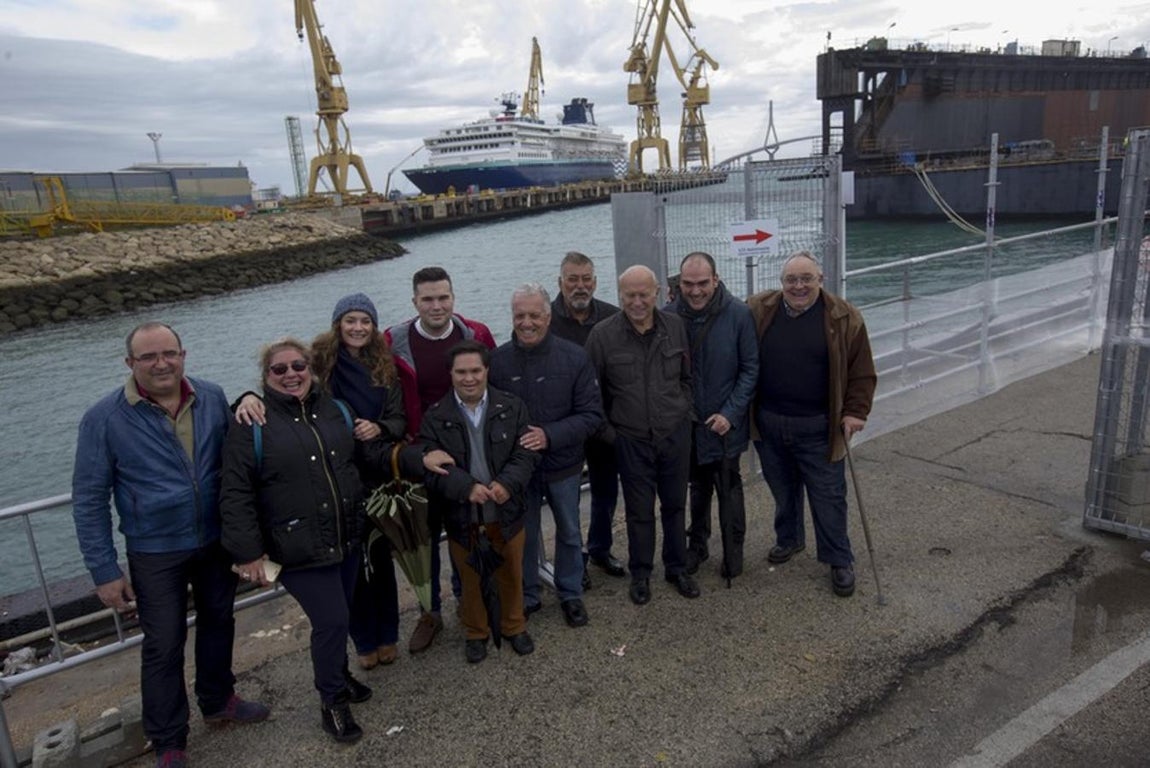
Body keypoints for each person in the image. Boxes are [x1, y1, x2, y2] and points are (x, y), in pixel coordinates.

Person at [72, 322, 269, 768]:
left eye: (169, 353)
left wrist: (247, 397)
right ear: (130, 363)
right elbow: (89, 499)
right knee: (163, 643)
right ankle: (168, 739)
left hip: (214, 538)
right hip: (155, 549)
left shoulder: (211, 396)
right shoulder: (104, 418)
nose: (161, 364)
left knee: (220, 621)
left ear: (183, 355)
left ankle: (218, 701)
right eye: (148, 357)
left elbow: (237, 459)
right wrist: (104, 570)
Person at [219, 338, 431, 744]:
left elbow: (365, 458)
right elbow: (236, 491)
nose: (291, 374)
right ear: (265, 377)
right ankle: (332, 701)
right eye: (279, 369)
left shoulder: (336, 410)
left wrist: (418, 459)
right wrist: (247, 552)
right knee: (331, 621)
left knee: (342, 615)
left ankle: (340, 673)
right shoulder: (252, 423)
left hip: (346, 536)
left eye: (298, 366)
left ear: (311, 370)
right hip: (296, 547)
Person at [234, 293, 407, 671]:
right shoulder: (318, 361)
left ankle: (388, 634)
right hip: (327, 477)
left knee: (379, 562)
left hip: (373, 475)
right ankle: (363, 641)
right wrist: (245, 397)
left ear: (374, 326)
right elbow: (281, 391)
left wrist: (379, 427)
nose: (358, 328)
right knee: (350, 573)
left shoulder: (385, 366)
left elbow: (399, 419)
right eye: (350, 320)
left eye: (365, 321)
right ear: (337, 324)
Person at [747, 251, 877, 597]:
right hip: (769, 423)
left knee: (828, 496)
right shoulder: (759, 309)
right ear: (781, 283)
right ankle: (789, 539)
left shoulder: (844, 316)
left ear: (821, 279)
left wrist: (856, 411)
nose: (799, 286)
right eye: (791, 279)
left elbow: (862, 371)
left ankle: (839, 558)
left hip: (820, 426)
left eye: (807, 278)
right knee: (782, 490)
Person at [385, 266, 497, 653]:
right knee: (424, 538)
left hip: (467, 452)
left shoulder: (475, 334)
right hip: (421, 454)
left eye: (443, 297)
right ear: (415, 302)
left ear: (453, 297)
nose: (437, 305)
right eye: (428, 299)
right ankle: (429, 611)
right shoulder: (393, 342)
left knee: (468, 531)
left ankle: (469, 600)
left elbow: (495, 385)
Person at [417, 340, 540, 663]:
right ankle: (476, 632)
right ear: (450, 374)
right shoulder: (435, 416)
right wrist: (465, 487)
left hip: (506, 510)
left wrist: (507, 483)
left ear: (487, 370)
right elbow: (431, 469)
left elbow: (526, 453)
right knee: (470, 578)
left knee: (511, 572)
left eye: (475, 370)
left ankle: (514, 626)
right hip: (463, 516)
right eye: (461, 372)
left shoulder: (512, 406)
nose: (469, 378)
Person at [489, 283, 603, 627]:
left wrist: (549, 435)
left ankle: (570, 592)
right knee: (522, 534)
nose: (527, 323)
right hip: (518, 470)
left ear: (548, 316)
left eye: (534, 315)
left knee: (569, 531)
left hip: (563, 464)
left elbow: (591, 415)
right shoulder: (497, 362)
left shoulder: (575, 357)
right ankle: (527, 594)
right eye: (520, 315)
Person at [585, 265, 699, 605]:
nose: (637, 302)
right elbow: (592, 395)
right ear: (620, 295)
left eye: (643, 294)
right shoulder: (602, 336)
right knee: (639, 512)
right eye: (630, 295)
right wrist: (613, 437)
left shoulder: (675, 327)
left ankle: (677, 568)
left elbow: (687, 378)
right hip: (630, 439)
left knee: (675, 505)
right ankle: (641, 574)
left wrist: (684, 412)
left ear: (657, 293)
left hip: (674, 434)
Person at [667, 252, 759, 579]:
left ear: (716, 280)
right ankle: (698, 544)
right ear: (679, 283)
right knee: (697, 486)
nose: (695, 291)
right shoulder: (668, 317)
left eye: (702, 283)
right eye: (688, 284)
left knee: (729, 487)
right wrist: (683, 412)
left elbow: (750, 369)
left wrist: (730, 414)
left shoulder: (739, 314)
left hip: (725, 424)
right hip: (688, 423)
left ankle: (734, 550)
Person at [549, 251, 626, 582]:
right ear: (560, 282)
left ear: (594, 282)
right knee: (565, 501)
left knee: (605, 492)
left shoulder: (613, 317)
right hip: (563, 425)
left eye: (585, 279)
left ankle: (599, 548)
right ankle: (573, 560)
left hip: (603, 422)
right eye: (572, 279)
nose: (579, 286)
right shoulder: (544, 320)